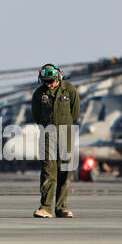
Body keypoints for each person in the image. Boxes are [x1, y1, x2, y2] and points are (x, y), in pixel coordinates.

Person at [30, 64, 80, 218]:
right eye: (45, 82)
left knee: (65, 171)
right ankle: (45, 207)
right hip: (47, 135)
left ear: (58, 77)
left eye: (51, 81)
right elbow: (36, 115)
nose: (49, 84)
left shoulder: (69, 90)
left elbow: (75, 111)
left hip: (66, 134)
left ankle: (62, 207)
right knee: (48, 170)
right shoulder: (39, 94)